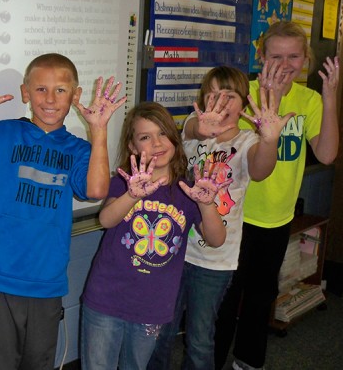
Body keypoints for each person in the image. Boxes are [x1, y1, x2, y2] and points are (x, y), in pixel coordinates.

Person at [0, 53, 126, 370]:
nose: (50, 99)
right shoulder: (0, 134)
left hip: (46, 282)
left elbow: (96, 190)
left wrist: (100, 130)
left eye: (61, 90)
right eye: (40, 90)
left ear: (76, 96)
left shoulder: (79, 149)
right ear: (25, 93)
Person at [214, 21, 339, 370]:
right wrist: (270, 99)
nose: (285, 64)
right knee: (224, 301)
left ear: (307, 59)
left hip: (277, 218)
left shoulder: (309, 100)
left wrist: (330, 97)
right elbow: (230, 154)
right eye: (276, 56)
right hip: (234, 217)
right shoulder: (242, 95)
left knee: (260, 298)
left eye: (294, 56)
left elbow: (327, 154)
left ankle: (248, 362)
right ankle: (207, 361)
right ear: (260, 56)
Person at [148, 66, 291, 370]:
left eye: (229, 96)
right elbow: (190, 130)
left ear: (244, 104)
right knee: (160, 331)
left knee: (200, 338)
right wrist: (203, 129)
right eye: (212, 95)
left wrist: (269, 140)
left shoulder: (247, 143)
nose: (220, 103)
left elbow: (261, 169)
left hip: (215, 260)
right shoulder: (192, 127)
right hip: (172, 251)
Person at [80, 102, 230, 370]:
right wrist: (132, 195)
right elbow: (106, 219)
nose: (157, 143)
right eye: (145, 137)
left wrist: (207, 205)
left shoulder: (189, 190)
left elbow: (217, 239)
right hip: (105, 299)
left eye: (163, 133)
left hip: (152, 307)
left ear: (174, 138)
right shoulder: (124, 181)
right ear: (133, 147)